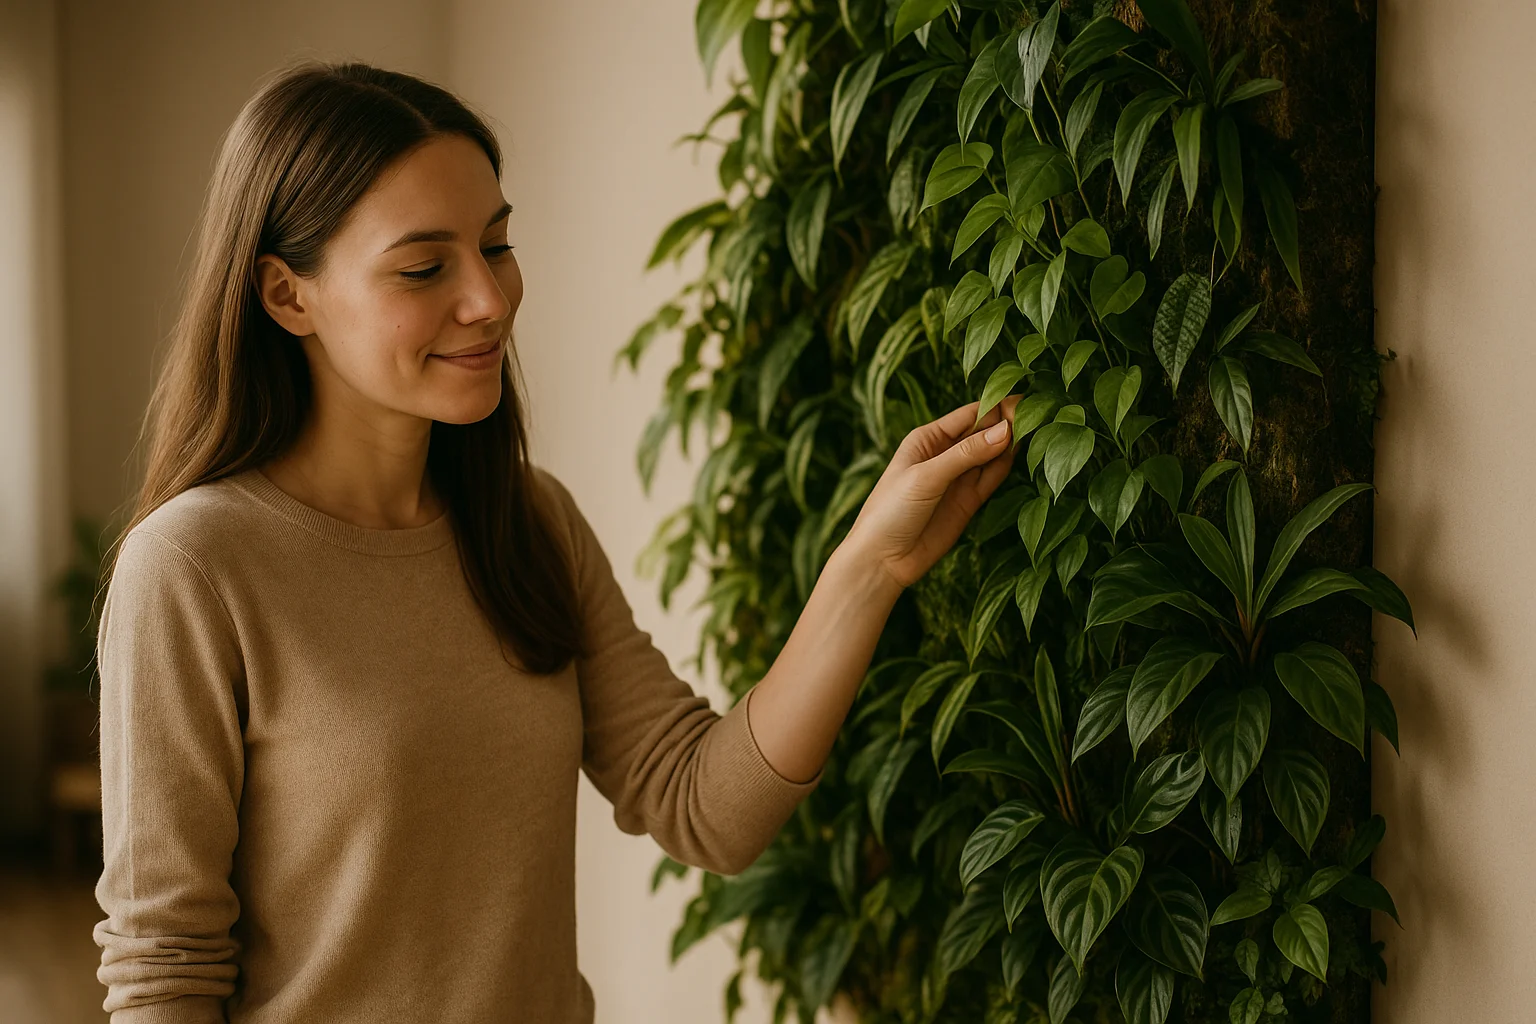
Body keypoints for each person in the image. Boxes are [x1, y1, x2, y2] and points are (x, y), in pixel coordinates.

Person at [91, 60, 1022, 1023]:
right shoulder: (194, 567)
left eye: (496, 245)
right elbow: (165, 966)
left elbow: (705, 805)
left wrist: (871, 565)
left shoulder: (528, 522)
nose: (489, 299)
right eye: (424, 268)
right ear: (288, 297)